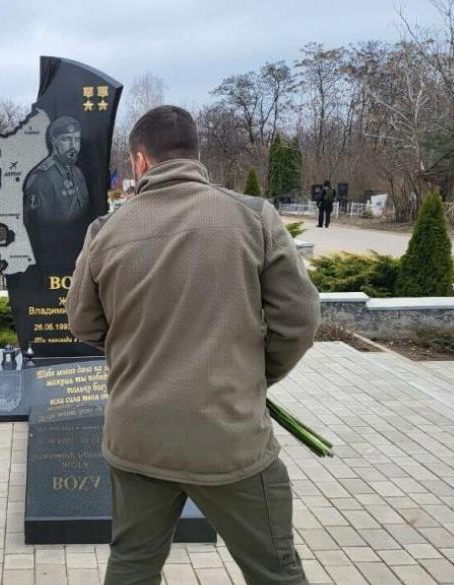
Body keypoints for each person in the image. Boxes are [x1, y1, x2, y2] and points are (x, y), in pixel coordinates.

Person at [66, 106, 320, 585]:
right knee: (276, 572)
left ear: (140, 161)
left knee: (132, 566)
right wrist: (253, 376)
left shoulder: (105, 232)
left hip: (138, 438)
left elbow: (82, 322)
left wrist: (138, 354)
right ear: (195, 155)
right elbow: (301, 320)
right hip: (229, 437)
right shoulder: (253, 217)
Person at [24, 115, 91, 270]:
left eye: (77, 139)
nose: (73, 145)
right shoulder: (42, 178)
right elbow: (40, 229)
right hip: (54, 258)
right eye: (66, 139)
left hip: (80, 254)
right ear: (54, 141)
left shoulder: (77, 173)